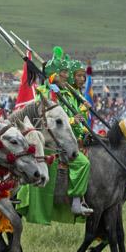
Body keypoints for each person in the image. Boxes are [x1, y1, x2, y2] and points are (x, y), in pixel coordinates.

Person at [17, 46, 93, 223]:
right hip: (54, 141)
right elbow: (54, 122)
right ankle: (75, 199)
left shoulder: (67, 93)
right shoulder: (47, 93)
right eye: (64, 72)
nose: (68, 76)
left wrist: (81, 115)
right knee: (83, 163)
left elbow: (74, 121)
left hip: (71, 138)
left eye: (68, 72)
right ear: (55, 74)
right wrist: (76, 118)